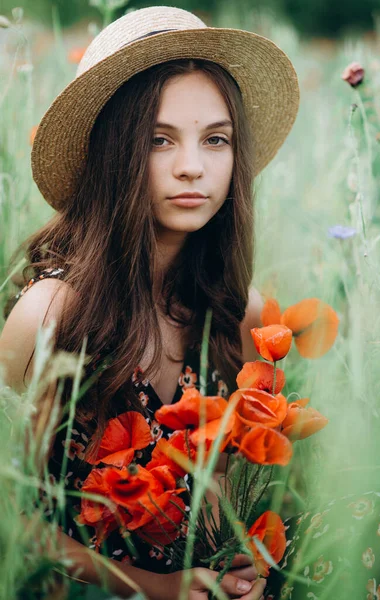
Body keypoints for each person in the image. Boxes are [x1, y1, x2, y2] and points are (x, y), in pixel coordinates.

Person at [0, 6, 299, 599]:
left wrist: (239, 562)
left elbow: (213, 499)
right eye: (158, 140)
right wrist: (147, 587)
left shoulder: (240, 314)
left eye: (216, 139)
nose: (193, 167)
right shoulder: (51, 314)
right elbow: (10, 516)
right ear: (113, 152)